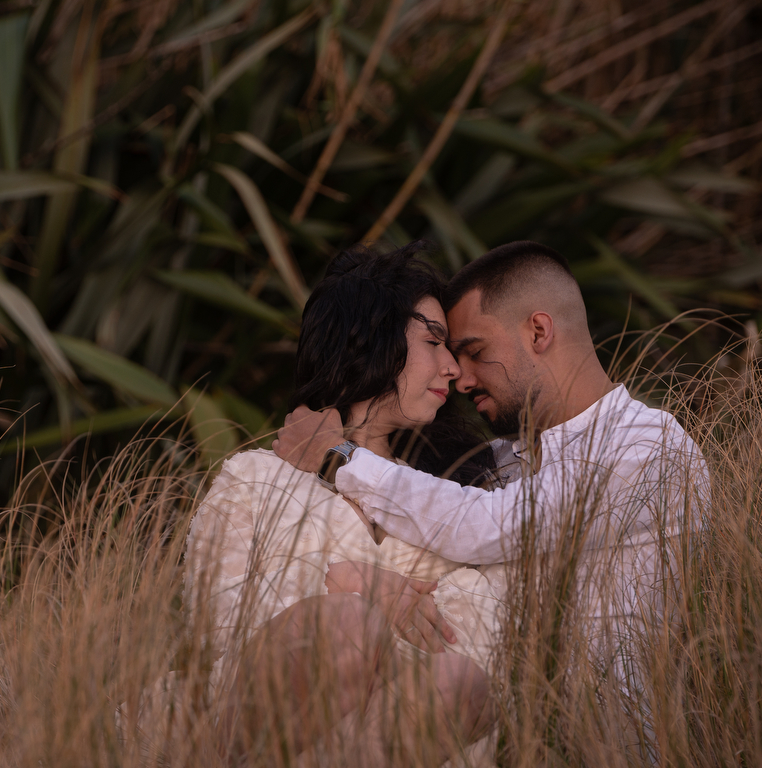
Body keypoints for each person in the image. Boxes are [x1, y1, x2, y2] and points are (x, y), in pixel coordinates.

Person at [273, 241, 708, 700]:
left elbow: (488, 526)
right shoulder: (497, 460)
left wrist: (337, 457)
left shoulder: (645, 444)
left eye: (475, 351)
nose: (461, 378)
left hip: (596, 726)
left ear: (538, 331)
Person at [184, 243, 504, 765]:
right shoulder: (257, 478)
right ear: (370, 337)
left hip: (405, 730)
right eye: (432, 341)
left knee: (459, 680)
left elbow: (487, 631)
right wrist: (351, 582)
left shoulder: (448, 495)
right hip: (262, 727)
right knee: (348, 627)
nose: (452, 368)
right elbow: (219, 622)